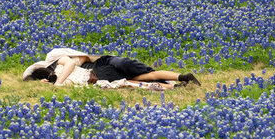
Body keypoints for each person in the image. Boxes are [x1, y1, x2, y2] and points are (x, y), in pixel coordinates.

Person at [22, 48, 201, 89]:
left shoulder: (56, 60)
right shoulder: (56, 71)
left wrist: (58, 83)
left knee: (137, 74)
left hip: (102, 68)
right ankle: (180, 81)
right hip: (99, 74)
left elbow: (73, 62)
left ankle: (179, 80)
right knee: (143, 77)